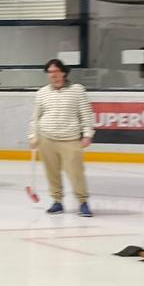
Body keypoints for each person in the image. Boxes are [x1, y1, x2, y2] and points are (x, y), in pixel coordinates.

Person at [29, 59, 95, 217]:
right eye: (50, 72)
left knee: (75, 172)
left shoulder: (77, 90)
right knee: (52, 172)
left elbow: (86, 114)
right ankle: (57, 201)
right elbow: (35, 117)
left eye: (56, 71)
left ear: (63, 72)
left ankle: (83, 202)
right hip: (47, 139)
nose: (53, 75)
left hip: (70, 139)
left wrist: (87, 135)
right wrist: (33, 136)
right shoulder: (42, 93)